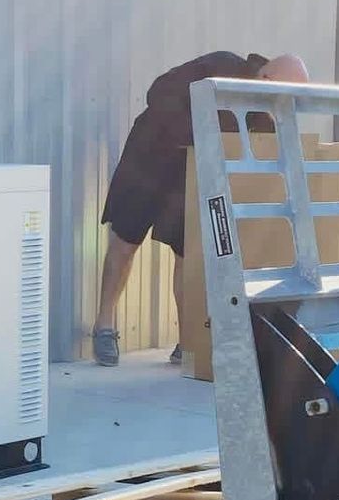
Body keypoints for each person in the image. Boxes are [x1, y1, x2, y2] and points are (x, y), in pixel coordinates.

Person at [92, 51, 311, 366]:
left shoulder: (264, 113)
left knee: (187, 253)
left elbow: (265, 156)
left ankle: (188, 341)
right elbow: (159, 91)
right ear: (266, 78)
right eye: (284, 94)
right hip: (150, 156)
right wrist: (196, 137)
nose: (283, 103)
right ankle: (104, 325)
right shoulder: (220, 67)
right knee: (125, 240)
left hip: (191, 174)